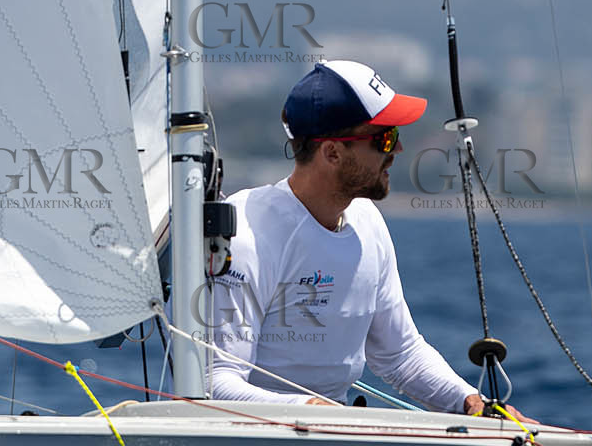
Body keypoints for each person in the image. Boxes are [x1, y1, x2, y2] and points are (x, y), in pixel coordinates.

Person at [208, 59, 527, 419]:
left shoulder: (367, 222)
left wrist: (471, 402)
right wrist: (315, 409)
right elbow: (216, 382)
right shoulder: (246, 234)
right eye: (384, 138)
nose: (397, 150)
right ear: (332, 152)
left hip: (335, 437)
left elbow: (400, 354)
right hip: (255, 444)